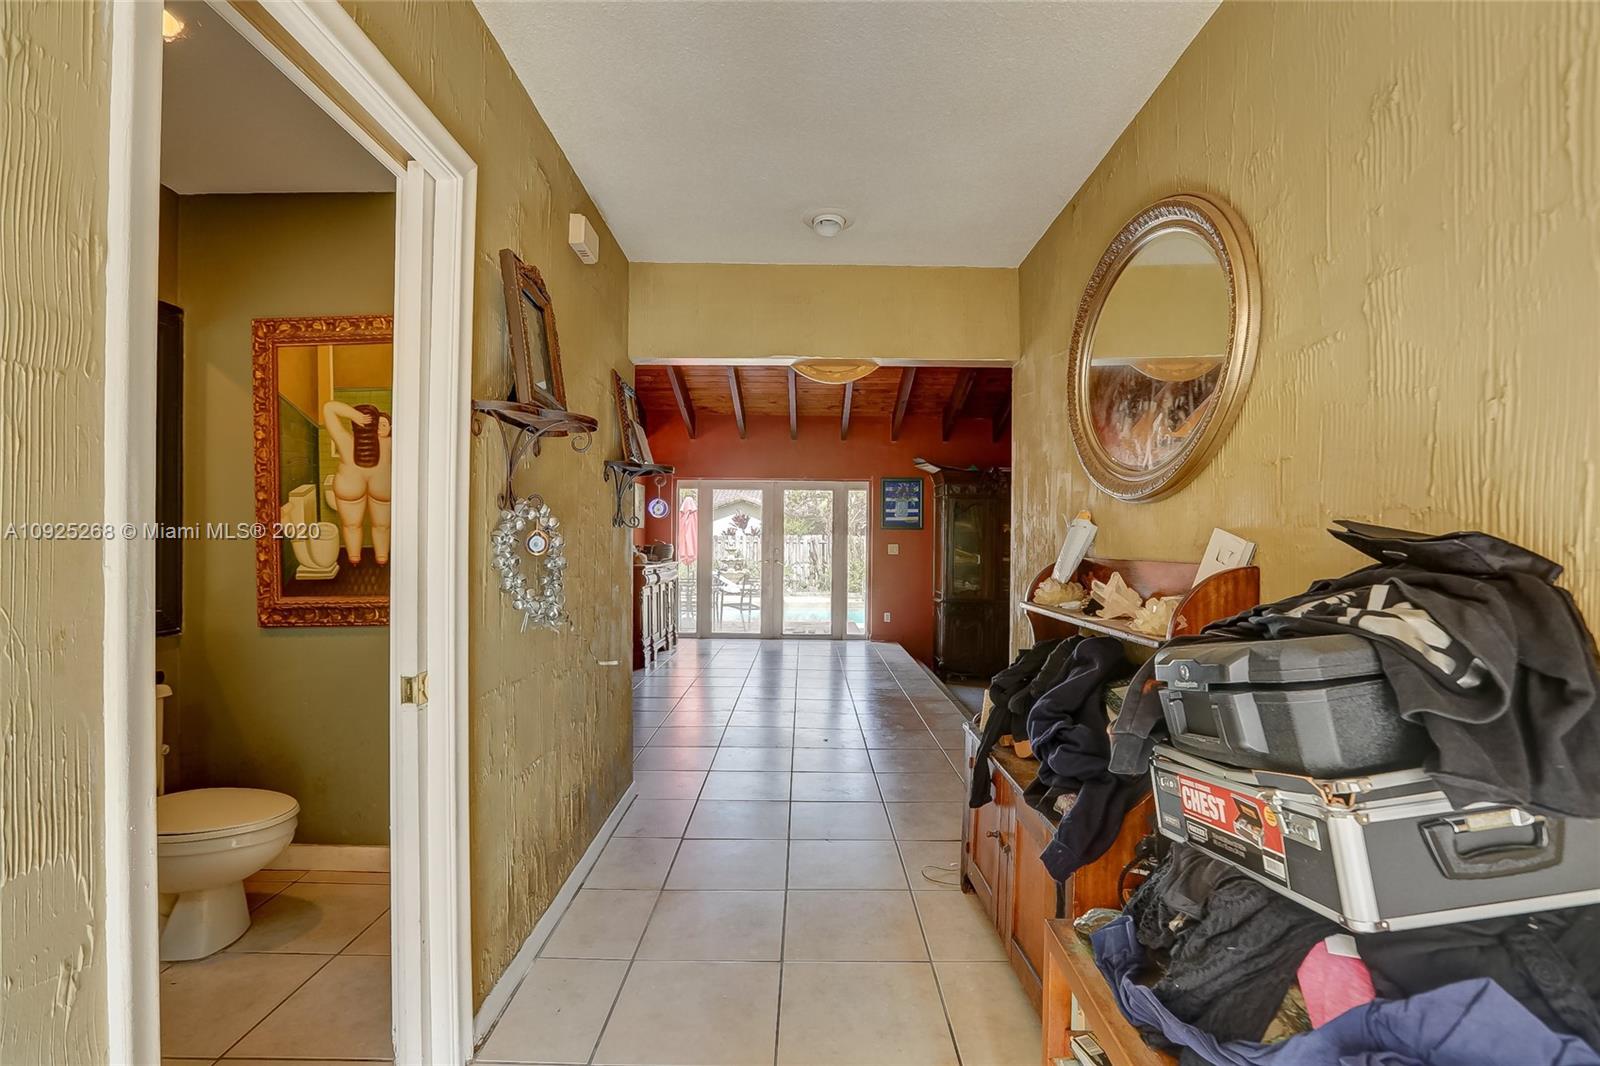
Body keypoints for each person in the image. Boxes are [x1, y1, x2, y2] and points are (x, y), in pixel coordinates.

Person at [322, 400, 392, 565]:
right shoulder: (389, 443)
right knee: (378, 526)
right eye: (378, 424)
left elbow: (329, 408)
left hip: (351, 485)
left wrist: (355, 415)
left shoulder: (346, 441)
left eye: (384, 424)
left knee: (353, 526)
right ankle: (376, 558)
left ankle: (359, 558)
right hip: (380, 486)